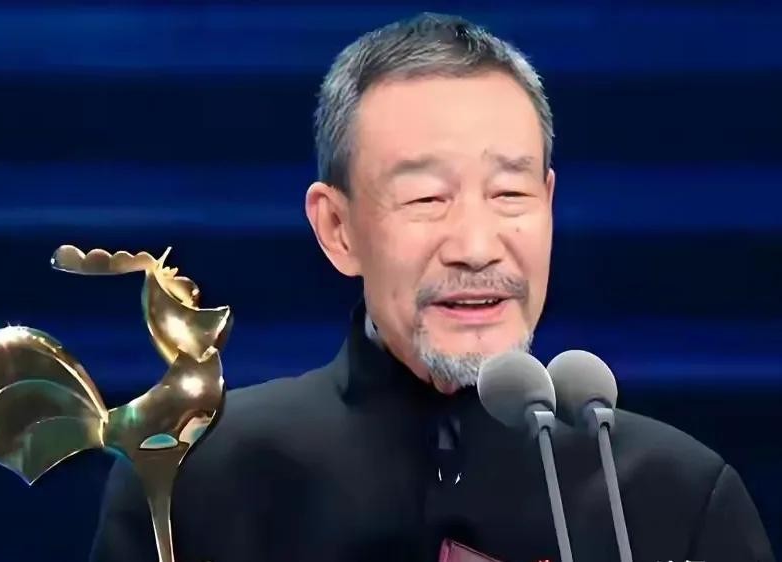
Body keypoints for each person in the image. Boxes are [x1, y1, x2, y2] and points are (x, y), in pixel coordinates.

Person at [89, 13, 775, 562]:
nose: (476, 247)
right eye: (426, 199)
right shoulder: (194, 481)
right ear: (338, 229)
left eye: (509, 193)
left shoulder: (675, 494)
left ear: (548, 203)